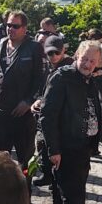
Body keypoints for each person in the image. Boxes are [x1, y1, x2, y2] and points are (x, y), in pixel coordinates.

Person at [39, 41, 102, 204]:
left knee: (64, 199)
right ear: (76, 55)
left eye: (92, 61)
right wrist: (54, 150)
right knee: (74, 202)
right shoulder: (62, 77)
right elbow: (47, 115)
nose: (87, 64)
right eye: (84, 59)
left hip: (82, 147)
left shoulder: (89, 80)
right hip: (66, 149)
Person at [0, 11, 45, 179]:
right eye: (8, 25)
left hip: (23, 114)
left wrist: (29, 101)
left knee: (25, 159)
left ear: (24, 28)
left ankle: (26, 190)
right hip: (1, 111)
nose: (10, 29)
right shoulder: (1, 44)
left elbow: (41, 79)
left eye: (15, 26)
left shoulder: (34, 48)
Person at [32, 36, 73, 190]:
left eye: (57, 52)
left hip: (61, 119)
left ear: (63, 51)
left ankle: (56, 184)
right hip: (48, 115)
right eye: (50, 53)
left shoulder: (68, 69)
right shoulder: (48, 66)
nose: (54, 56)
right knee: (43, 145)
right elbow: (45, 91)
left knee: (55, 151)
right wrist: (39, 101)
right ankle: (48, 175)